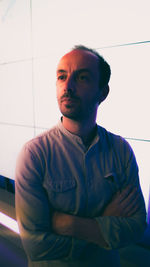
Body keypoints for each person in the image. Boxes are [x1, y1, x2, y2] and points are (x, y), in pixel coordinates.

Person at [15, 45, 147, 267]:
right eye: (62, 77)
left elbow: (135, 228)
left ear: (102, 92)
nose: (68, 86)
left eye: (82, 77)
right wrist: (102, 225)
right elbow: (36, 246)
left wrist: (70, 225)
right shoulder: (35, 154)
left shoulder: (120, 150)